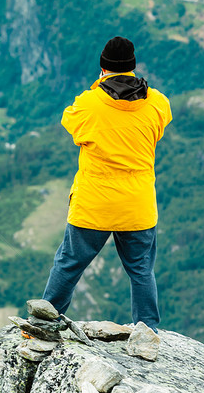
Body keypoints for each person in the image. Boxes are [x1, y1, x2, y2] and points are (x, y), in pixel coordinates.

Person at [42, 36, 172, 331]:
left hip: (95, 202)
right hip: (137, 203)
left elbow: (70, 122)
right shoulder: (158, 103)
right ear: (133, 68)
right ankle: (147, 330)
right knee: (141, 270)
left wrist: (97, 89)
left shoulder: (89, 104)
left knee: (69, 263)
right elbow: (159, 127)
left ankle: (45, 323)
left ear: (103, 69)